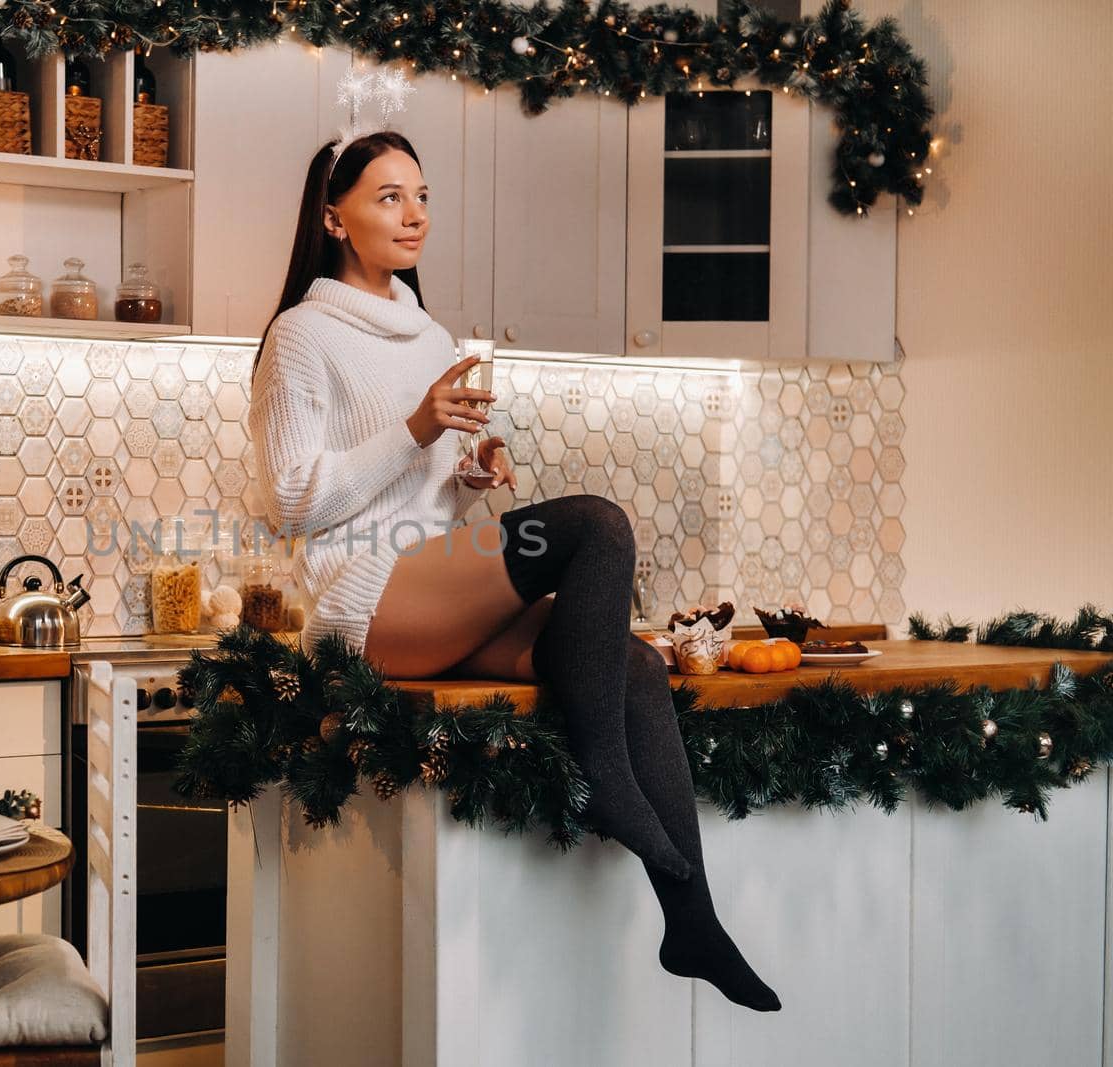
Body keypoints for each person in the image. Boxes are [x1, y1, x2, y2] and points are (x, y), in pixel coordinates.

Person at [247, 130, 780, 1013]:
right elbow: (295, 501)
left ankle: (693, 919)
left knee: (634, 663)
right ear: (333, 215)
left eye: (422, 194)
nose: (414, 213)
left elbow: (414, 502)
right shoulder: (301, 337)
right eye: (388, 196)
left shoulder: (430, 336)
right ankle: (608, 781)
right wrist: (418, 429)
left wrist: (464, 479)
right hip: (362, 598)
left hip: (429, 576)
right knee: (593, 526)